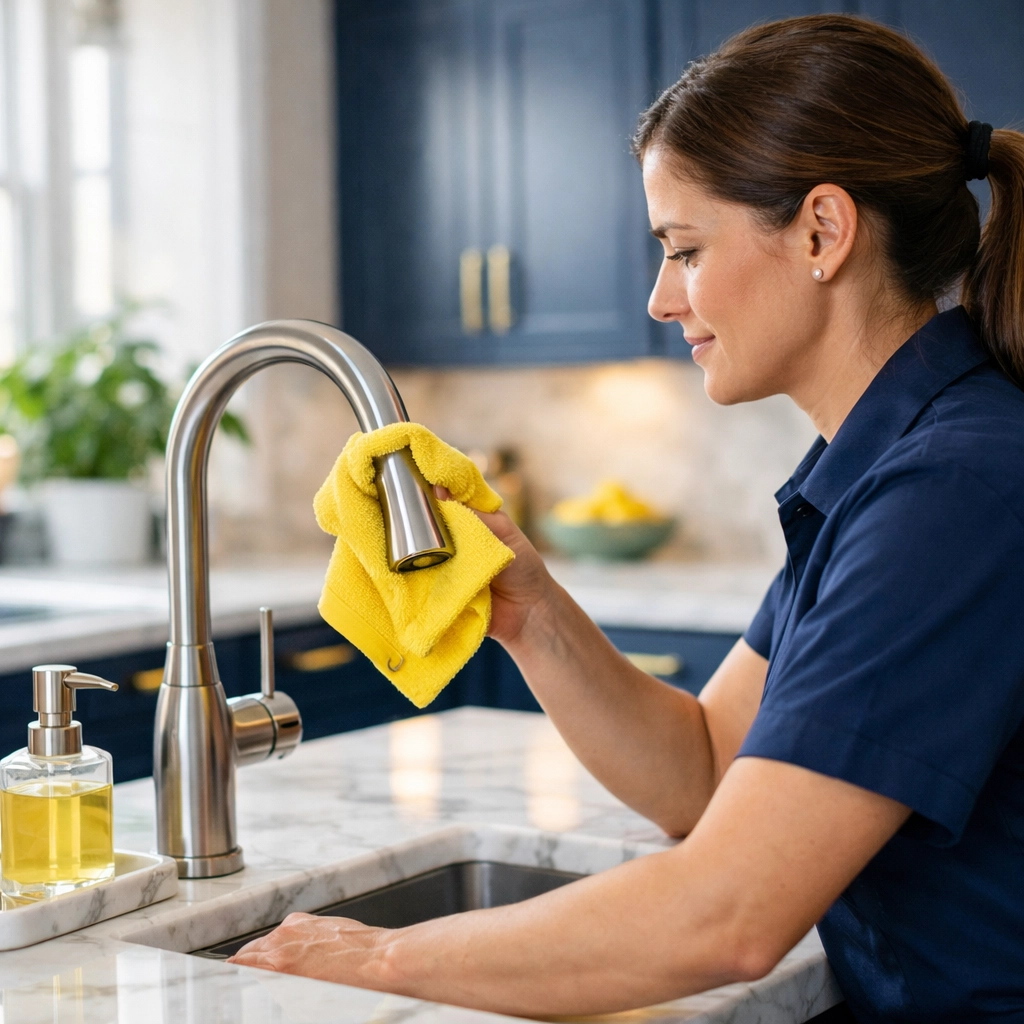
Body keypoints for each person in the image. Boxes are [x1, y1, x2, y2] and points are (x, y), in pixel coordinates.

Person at [229, 15, 1024, 1022]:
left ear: (823, 231)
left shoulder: (951, 491)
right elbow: (704, 770)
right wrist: (528, 607)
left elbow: (728, 912)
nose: (658, 297)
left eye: (685, 249)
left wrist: (384, 961)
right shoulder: (878, 466)